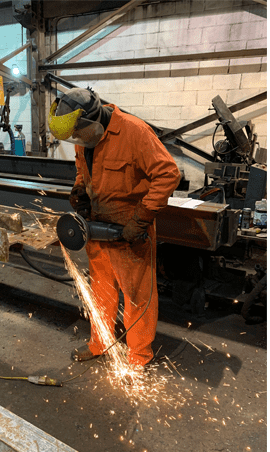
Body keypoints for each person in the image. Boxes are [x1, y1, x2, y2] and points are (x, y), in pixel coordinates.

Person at [48, 87, 181, 370]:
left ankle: (138, 357)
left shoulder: (135, 132)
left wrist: (141, 219)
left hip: (129, 230)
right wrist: (79, 191)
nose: (78, 140)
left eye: (79, 133)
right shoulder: (84, 137)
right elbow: (83, 171)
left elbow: (168, 174)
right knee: (101, 293)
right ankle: (100, 343)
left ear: (93, 119)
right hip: (97, 227)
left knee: (136, 297)